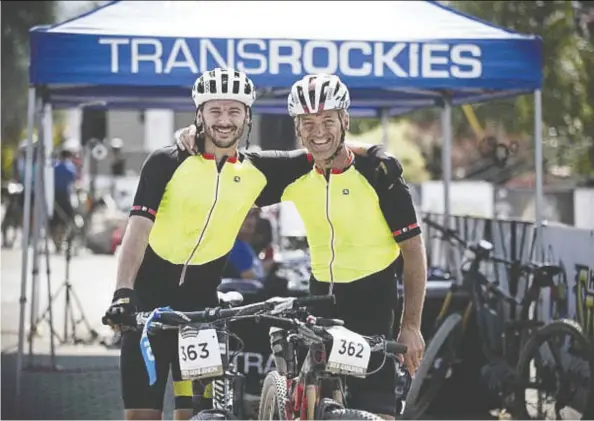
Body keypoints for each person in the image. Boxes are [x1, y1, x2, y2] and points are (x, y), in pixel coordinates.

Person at [103, 68, 397, 421]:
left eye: (234, 111)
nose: (224, 120)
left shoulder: (258, 170)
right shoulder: (166, 162)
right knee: (141, 416)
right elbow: (138, 228)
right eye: (215, 111)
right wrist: (123, 292)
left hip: (202, 314)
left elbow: (321, 146)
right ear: (200, 115)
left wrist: (373, 151)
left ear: (247, 117)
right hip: (149, 309)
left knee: (194, 415)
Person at [177, 73, 427, 419]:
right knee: (309, 396)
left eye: (327, 120)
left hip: (374, 301)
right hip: (321, 298)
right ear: (297, 127)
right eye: (308, 122)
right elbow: (234, 158)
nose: (318, 131)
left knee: (376, 411)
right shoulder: (297, 169)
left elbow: (413, 254)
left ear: (345, 121)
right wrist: (194, 135)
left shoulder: (379, 172)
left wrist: (411, 325)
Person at [224, 209, 264, 280]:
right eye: (245, 217)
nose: (251, 221)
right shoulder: (236, 247)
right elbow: (248, 276)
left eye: (253, 216)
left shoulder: (243, 244)